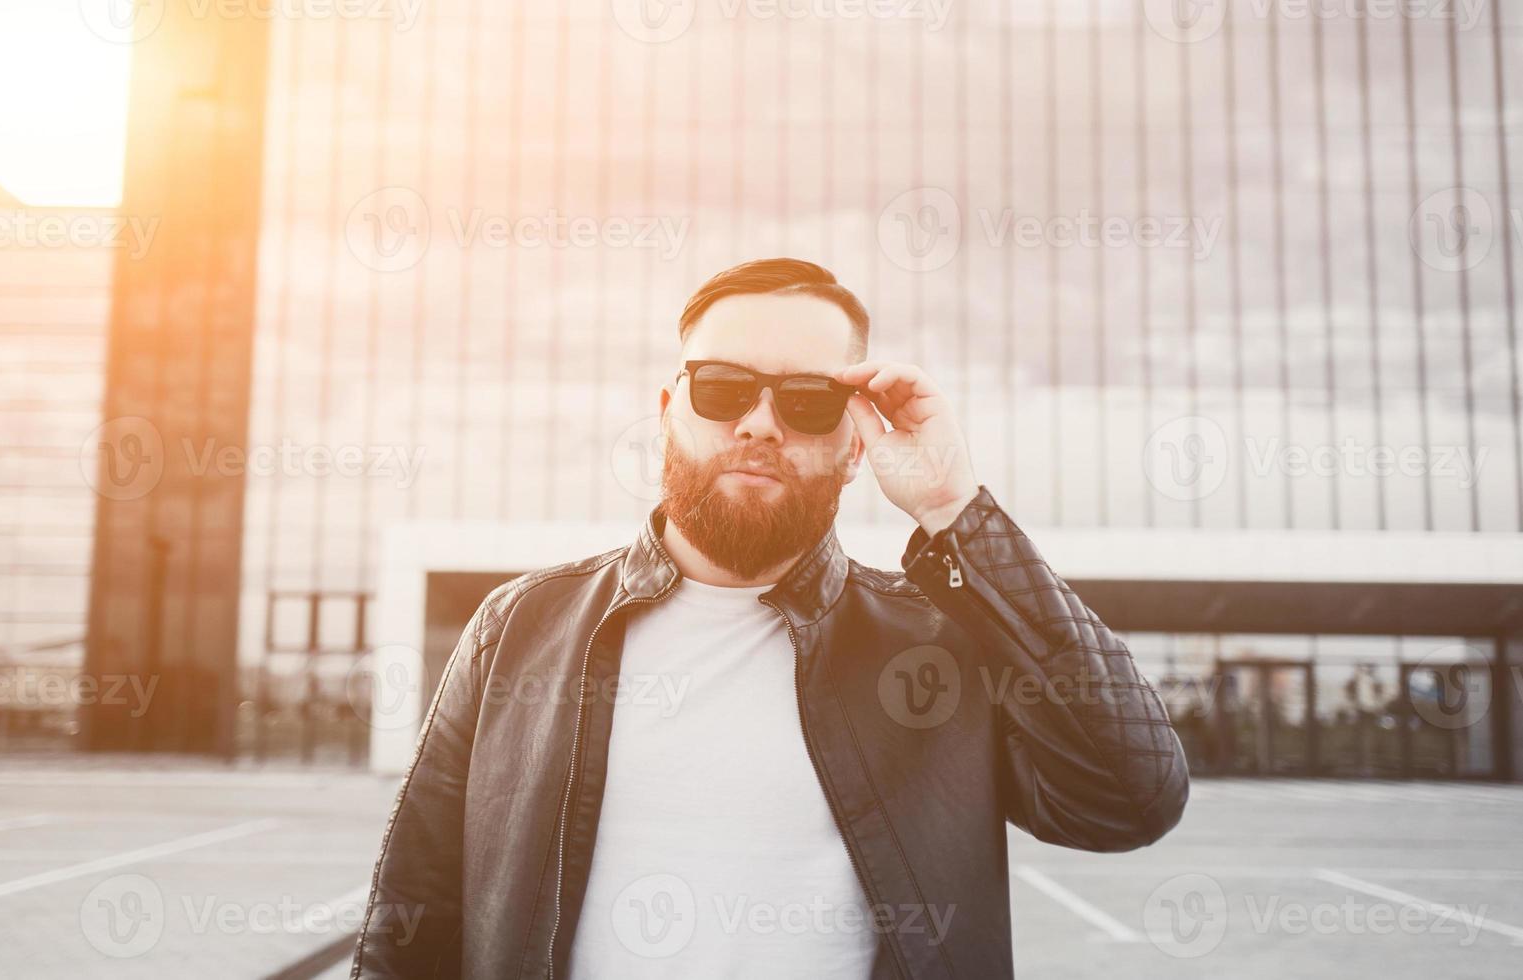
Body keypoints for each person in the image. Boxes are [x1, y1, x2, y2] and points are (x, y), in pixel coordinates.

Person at [352, 257, 1189, 979]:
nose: (758, 422)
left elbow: (1130, 798)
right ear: (666, 408)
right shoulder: (519, 628)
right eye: (721, 388)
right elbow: (416, 913)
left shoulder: (936, 646)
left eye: (808, 402)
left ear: (857, 443)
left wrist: (955, 510)